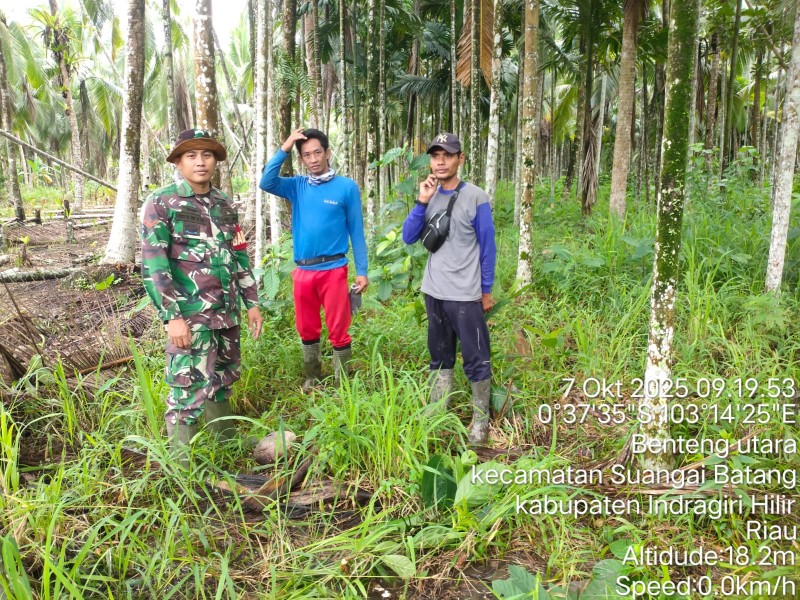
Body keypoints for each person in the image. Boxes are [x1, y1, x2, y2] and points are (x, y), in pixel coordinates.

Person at [140, 128, 263, 460]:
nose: (200, 162)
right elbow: (154, 265)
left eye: (207, 154)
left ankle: (227, 448)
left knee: (223, 378)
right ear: (179, 162)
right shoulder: (161, 203)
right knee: (187, 387)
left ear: (215, 161)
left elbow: (238, 253)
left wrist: (251, 302)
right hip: (190, 316)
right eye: (191, 155)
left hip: (226, 312)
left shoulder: (224, 204)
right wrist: (172, 317)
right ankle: (182, 468)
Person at [401, 132, 497, 444]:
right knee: (439, 354)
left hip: (466, 295)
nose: (440, 161)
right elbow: (408, 237)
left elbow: (487, 246)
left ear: (460, 159)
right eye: (435, 155)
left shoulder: (476, 197)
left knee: (475, 356)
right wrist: (422, 200)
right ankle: (436, 414)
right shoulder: (429, 194)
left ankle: (480, 421)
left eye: (448, 155)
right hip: (434, 291)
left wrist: (485, 290)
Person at [259, 128, 368, 390]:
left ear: (327, 153)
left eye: (318, 152)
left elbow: (356, 230)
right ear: (301, 159)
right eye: (306, 155)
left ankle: (343, 384)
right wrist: (285, 146)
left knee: (338, 327)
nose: (313, 159)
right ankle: (313, 378)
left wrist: (362, 270)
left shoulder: (346, 187)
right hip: (303, 271)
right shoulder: (297, 186)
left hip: (334, 268)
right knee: (307, 327)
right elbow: (266, 182)